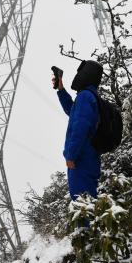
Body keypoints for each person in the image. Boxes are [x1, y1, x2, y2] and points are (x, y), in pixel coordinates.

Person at [52, 60, 103, 200]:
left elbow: (80, 126)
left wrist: (71, 155)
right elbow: (72, 110)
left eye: (80, 72)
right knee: (87, 201)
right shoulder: (91, 97)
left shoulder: (85, 96)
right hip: (89, 157)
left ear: (86, 74)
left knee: (82, 204)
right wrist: (60, 89)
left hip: (81, 158)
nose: (77, 75)